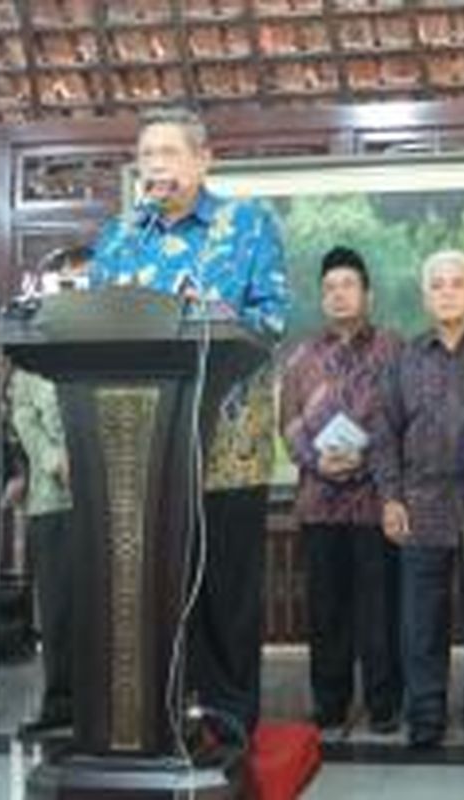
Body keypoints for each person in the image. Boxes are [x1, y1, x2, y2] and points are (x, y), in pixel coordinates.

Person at [91, 106, 288, 740]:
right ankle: (151, 712)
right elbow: (94, 322)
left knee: (224, 586)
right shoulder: (120, 235)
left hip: (227, 445)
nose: (155, 167)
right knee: (149, 587)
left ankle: (229, 718)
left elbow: (274, 316)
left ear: (205, 159)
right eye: (146, 155)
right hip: (140, 447)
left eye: (169, 154)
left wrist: (216, 315)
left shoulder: (247, 225)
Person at [371, 249, 464, 751]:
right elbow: (384, 434)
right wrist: (390, 498)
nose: (447, 292)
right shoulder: (404, 357)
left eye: (457, 284)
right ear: (425, 296)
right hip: (419, 505)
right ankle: (425, 715)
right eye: (437, 285)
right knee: (420, 622)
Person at [279, 246, 403, 738]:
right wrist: (316, 459)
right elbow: (287, 422)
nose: (338, 295)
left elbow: (403, 417)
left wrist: (367, 457)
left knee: (380, 609)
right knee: (326, 610)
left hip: (376, 502)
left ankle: (385, 702)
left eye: (348, 285)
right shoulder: (301, 356)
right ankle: (329, 704)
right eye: (329, 288)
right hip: (319, 504)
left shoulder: (394, 348)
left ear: (367, 294)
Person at [7, 366, 73, 734]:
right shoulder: (35, 351)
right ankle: (61, 703)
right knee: (58, 607)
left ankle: (115, 705)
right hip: (52, 497)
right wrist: (52, 459)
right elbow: (23, 414)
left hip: (114, 497)